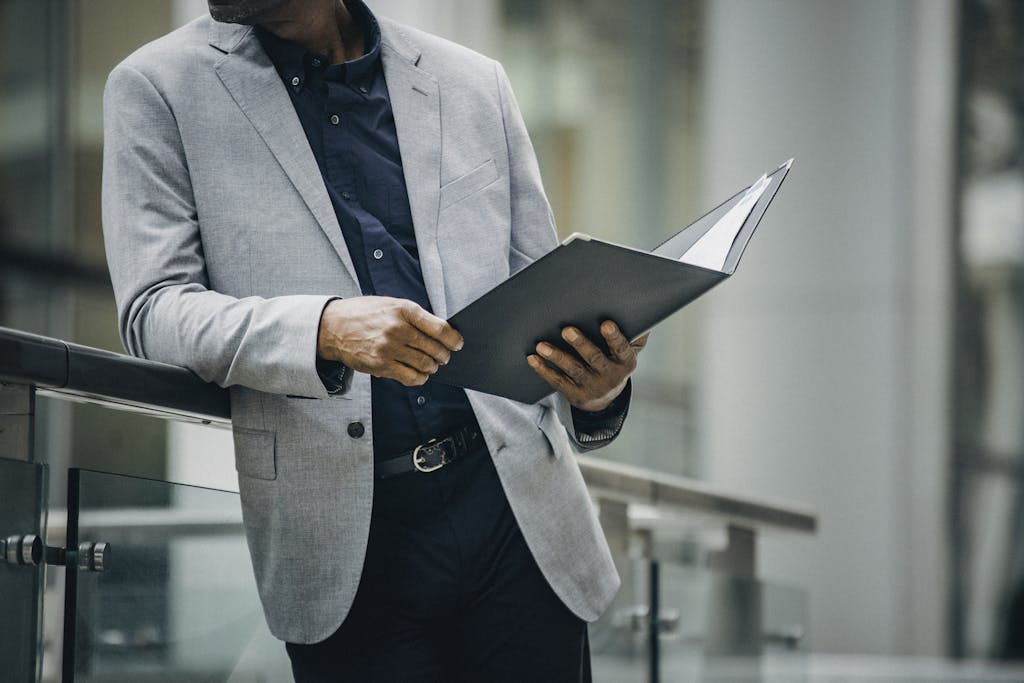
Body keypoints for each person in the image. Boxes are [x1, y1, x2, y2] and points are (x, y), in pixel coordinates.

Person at [102, 1, 647, 680]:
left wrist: (598, 390)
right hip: (343, 550)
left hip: (518, 522)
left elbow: (538, 296)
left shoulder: (473, 82)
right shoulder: (155, 88)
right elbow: (153, 311)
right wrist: (323, 329)